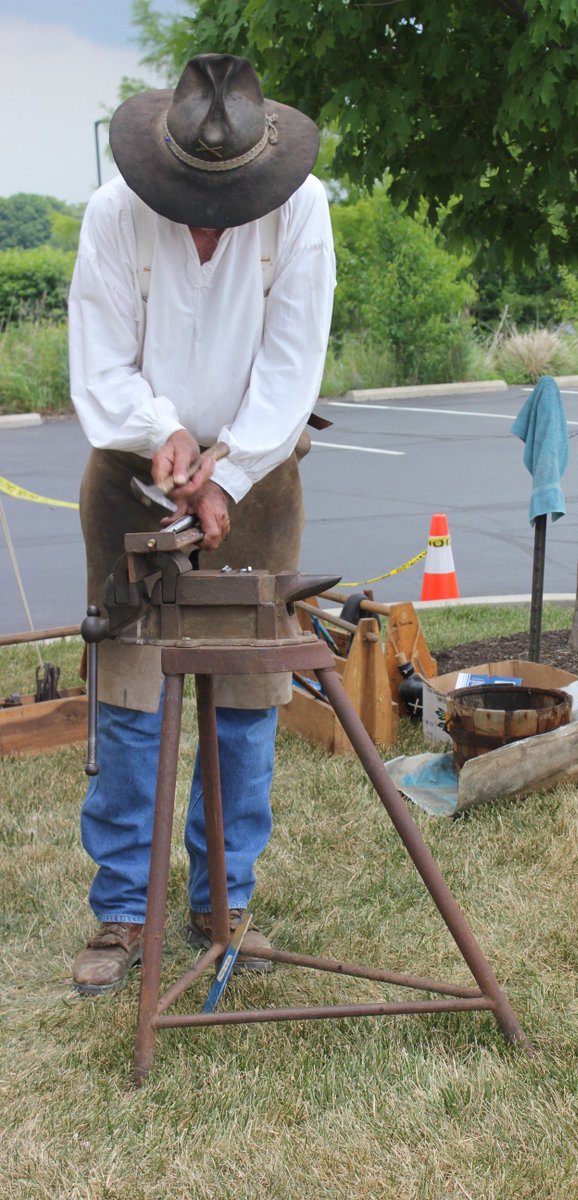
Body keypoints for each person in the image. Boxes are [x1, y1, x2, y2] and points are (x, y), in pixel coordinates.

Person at [68, 53, 336, 993]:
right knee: (133, 690)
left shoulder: (302, 211)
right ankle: (122, 914)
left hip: (257, 478)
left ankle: (225, 903)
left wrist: (235, 467)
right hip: (132, 471)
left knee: (245, 700)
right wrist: (165, 436)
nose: (206, 217)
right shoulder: (114, 215)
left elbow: (294, 357)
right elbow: (101, 363)